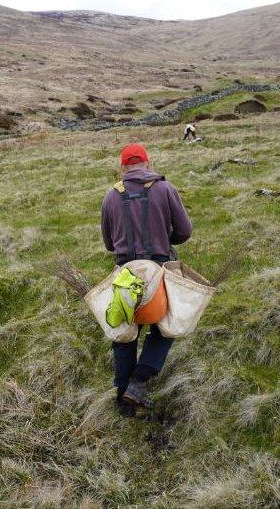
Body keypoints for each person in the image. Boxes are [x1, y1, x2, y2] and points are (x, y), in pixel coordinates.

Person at [100, 143, 193, 415]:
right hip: (159, 270)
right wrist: (165, 239)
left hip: (125, 273)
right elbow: (185, 231)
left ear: (122, 167)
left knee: (124, 332)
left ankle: (123, 396)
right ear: (148, 164)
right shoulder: (165, 188)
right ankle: (139, 381)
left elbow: (109, 244)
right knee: (166, 325)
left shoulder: (110, 196)